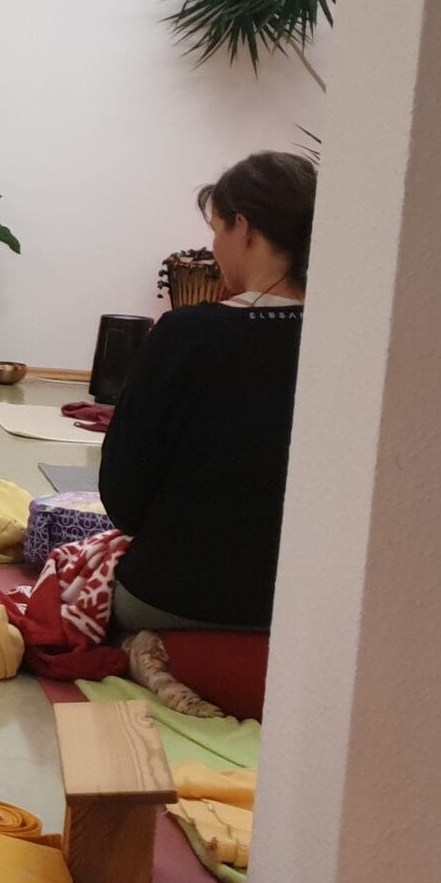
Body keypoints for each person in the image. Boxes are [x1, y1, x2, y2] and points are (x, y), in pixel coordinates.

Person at [100, 150, 315, 633]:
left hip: (173, 598)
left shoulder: (185, 334)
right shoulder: (350, 344)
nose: (214, 247)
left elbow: (123, 500)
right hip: (303, 613)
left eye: (217, 230)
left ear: (245, 228)